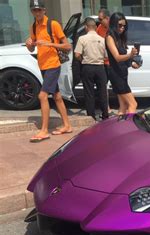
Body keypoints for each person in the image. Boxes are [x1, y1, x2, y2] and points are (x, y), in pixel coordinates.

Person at [25, 0, 72, 142]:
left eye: (39, 9)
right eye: (34, 10)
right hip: (43, 65)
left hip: (53, 64)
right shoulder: (33, 27)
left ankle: (44, 130)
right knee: (57, 96)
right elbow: (33, 48)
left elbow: (67, 46)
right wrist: (29, 45)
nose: (37, 12)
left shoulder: (53, 24)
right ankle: (67, 125)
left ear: (44, 10)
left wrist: (49, 43)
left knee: (42, 96)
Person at [74, 17, 108, 121]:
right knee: (102, 92)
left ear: (86, 27)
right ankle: (105, 115)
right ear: (95, 27)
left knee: (89, 92)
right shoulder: (102, 39)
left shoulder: (82, 39)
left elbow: (76, 55)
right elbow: (106, 56)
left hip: (87, 67)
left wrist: (82, 59)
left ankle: (91, 115)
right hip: (100, 67)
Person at [105, 12, 139, 115]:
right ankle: (129, 127)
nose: (122, 28)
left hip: (122, 73)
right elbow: (117, 57)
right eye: (120, 25)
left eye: (124, 26)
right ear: (114, 24)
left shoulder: (120, 38)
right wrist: (130, 55)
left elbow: (124, 59)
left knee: (123, 105)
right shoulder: (110, 37)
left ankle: (119, 128)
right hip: (116, 75)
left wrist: (133, 63)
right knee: (133, 104)